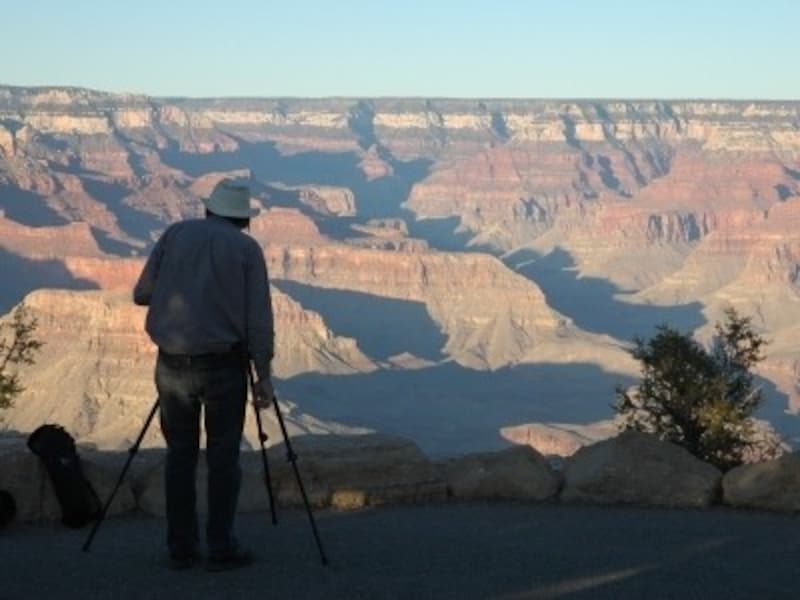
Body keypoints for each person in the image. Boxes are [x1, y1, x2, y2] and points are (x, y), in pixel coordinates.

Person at [133, 178, 275, 571]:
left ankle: (181, 546)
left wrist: (183, 290)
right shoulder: (247, 249)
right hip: (225, 366)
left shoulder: (175, 234)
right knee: (223, 457)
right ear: (243, 220)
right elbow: (259, 318)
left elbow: (141, 293)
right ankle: (220, 545)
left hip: (173, 363)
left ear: (209, 209)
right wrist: (263, 374)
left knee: (180, 456)